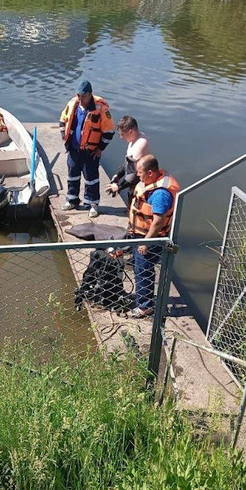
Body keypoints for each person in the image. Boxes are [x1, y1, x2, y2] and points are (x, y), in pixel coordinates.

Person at [124, 155, 180, 319]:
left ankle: (145, 306)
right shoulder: (150, 183)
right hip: (140, 235)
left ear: (150, 173)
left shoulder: (160, 194)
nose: (137, 175)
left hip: (149, 239)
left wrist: (146, 243)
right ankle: (143, 299)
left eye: (140, 172)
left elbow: (158, 222)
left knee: (144, 271)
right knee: (139, 268)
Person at [59, 79, 114, 218]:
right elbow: (62, 121)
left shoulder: (101, 109)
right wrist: (65, 139)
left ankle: (92, 204)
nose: (80, 99)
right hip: (73, 150)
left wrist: (100, 149)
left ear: (90, 94)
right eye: (78, 95)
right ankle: (72, 200)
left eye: (83, 96)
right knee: (72, 176)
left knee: (91, 179)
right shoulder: (72, 104)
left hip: (91, 152)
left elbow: (109, 132)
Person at [106, 115, 152, 210]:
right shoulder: (135, 139)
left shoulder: (140, 145)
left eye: (122, 134)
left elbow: (133, 175)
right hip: (133, 181)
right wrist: (118, 175)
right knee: (131, 203)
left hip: (141, 183)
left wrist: (118, 186)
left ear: (130, 132)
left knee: (137, 207)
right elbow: (128, 162)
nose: (121, 137)